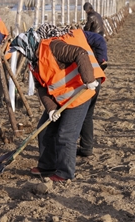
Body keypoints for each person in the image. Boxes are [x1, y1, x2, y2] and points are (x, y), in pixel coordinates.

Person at [9, 27, 106, 182]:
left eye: (22, 50)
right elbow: (41, 88)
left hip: (80, 92)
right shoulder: (33, 63)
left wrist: (88, 80)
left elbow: (80, 53)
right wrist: (51, 109)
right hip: (61, 98)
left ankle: (65, 173)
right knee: (45, 128)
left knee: (66, 135)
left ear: (29, 46)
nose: (22, 54)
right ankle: (47, 165)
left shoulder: (53, 47)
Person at [35, 23, 108, 157]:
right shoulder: (74, 35)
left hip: (87, 80)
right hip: (90, 78)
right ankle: (86, 148)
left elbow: (96, 41)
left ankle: (71, 152)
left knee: (76, 120)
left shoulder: (58, 44)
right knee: (87, 115)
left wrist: (101, 61)